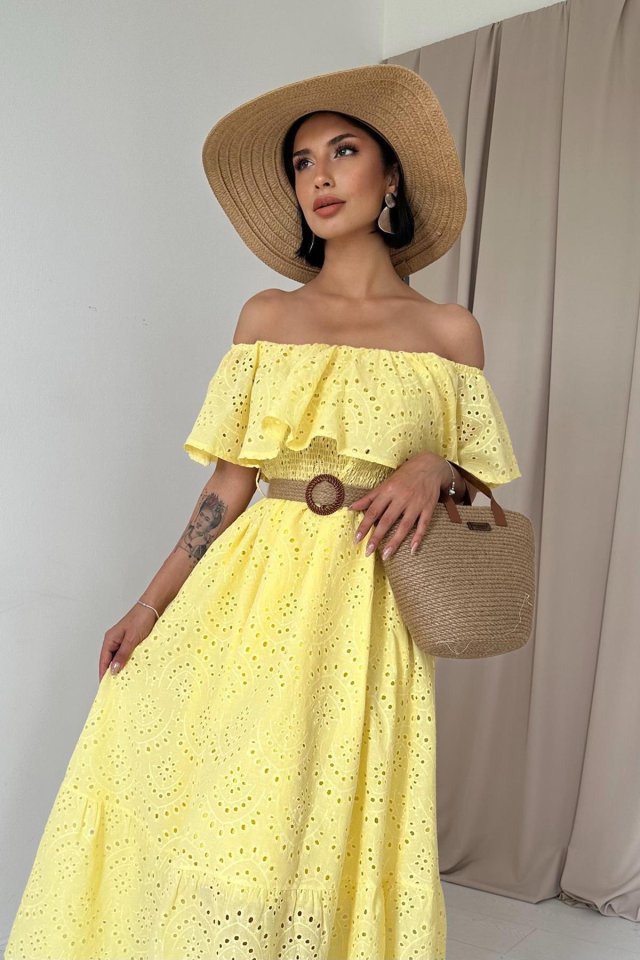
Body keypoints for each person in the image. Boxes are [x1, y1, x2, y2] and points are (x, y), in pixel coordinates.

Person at [5, 64, 521, 960]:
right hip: (251, 597)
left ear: (391, 178)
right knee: (229, 805)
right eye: (301, 162)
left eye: (344, 152)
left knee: (327, 814)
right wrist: (150, 604)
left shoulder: (450, 332)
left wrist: (432, 464)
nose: (319, 176)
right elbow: (228, 484)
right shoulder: (267, 316)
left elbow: (480, 490)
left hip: (368, 605)